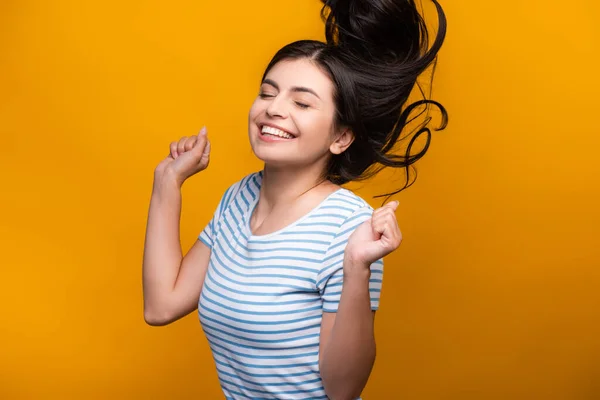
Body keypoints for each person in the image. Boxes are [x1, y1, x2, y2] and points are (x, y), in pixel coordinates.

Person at [142, 0, 448, 398]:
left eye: (301, 103)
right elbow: (161, 306)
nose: (273, 109)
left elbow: (343, 389)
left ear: (341, 137)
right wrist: (167, 183)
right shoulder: (238, 199)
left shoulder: (348, 226)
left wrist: (357, 266)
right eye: (267, 93)